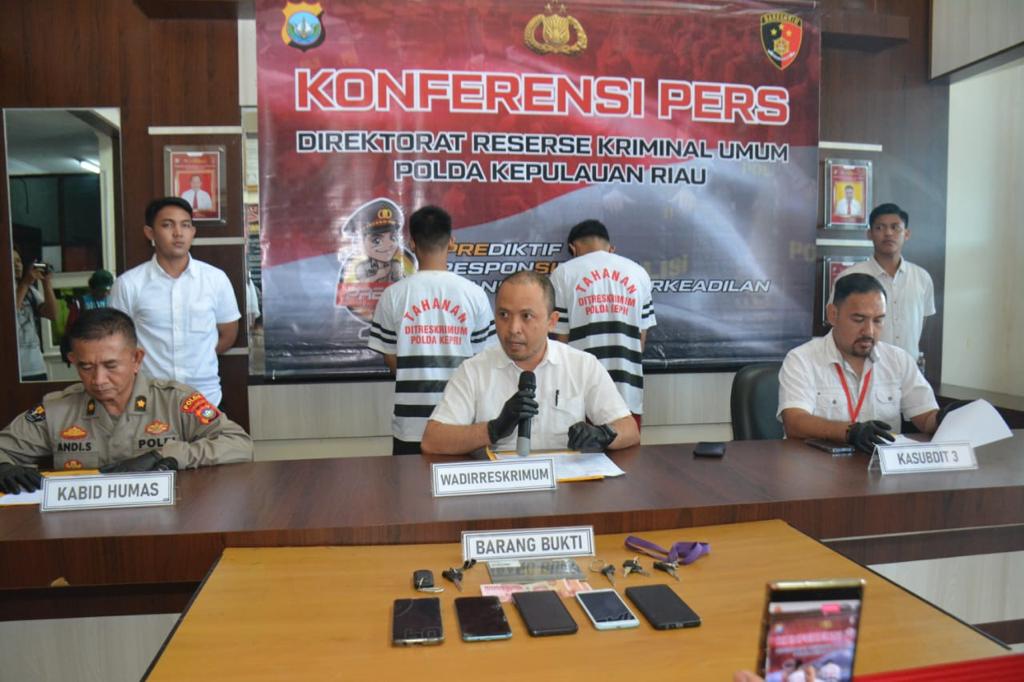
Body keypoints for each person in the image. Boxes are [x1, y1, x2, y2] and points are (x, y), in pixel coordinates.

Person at [0, 308, 252, 494]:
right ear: (73, 360)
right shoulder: (57, 409)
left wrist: (166, 455)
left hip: (165, 523)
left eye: (111, 366)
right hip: (81, 528)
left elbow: (240, 444)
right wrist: (4, 468)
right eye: (86, 367)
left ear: (137, 359)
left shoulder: (176, 401)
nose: (98, 380)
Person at [421, 270, 640, 456]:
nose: (513, 328)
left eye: (526, 316)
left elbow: (629, 429)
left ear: (552, 321)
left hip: (565, 486)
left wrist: (601, 435)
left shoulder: (582, 365)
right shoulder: (473, 370)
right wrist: (493, 429)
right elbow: (432, 441)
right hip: (499, 486)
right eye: (503, 314)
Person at [368, 206, 496, 455]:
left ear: (412, 244)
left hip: (411, 425)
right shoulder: (474, 294)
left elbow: (390, 357)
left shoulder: (393, 295)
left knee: (408, 482)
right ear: (452, 242)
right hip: (461, 422)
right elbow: (483, 360)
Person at [778, 273, 949, 453]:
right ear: (833, 315)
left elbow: (925, 418)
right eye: (858, 320)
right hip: (818, 465)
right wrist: (849, 432)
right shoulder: (801, 359)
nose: (869, 331)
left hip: (880, 465)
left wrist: (944, 418)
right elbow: (795, 423)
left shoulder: (898, 360)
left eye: (878, 320)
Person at [108, 197, 240, 406]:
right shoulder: (129, 284)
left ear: (193, 232)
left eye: (185, 225)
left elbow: (228, 334)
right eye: (168, 225)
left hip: (205, 398)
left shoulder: (215, 279)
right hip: (151, 400)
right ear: (150, 233)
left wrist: (200, 356)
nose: (178, 233)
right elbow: (116, 342)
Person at [550, 219, 656, 423]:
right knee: (627, 444)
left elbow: (562, 343)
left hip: (581, 393)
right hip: (627, 392)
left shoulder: (563, 274)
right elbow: (640, 343)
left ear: (573, 247)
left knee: (580, 445)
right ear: (611, 248)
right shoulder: (639, 273)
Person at [830, 203, 935, 360]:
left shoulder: (922, 278)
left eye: (895, 227)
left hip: (908, 368)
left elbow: (923, 320)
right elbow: (837, 324)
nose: (888, 233)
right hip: (864, 365)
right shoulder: (849, 276)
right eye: (880, 228)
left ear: (906, 234)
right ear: (869, 234)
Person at [12, 246, 58, 381]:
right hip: (11, 368)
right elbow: (9, 316)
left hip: (36, 366)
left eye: (19, 261)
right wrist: (25, 282)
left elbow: (52, 314)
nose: (17, 265)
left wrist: (46, 283)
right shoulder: (21, 287)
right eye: (11, 261)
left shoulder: (30, 291)